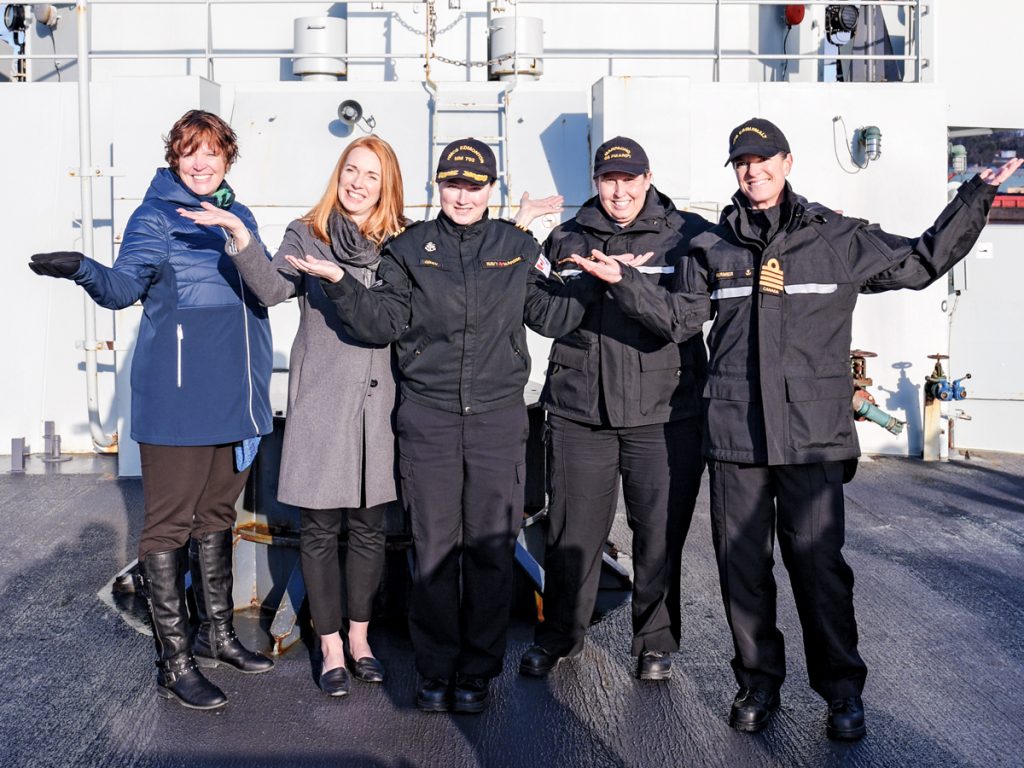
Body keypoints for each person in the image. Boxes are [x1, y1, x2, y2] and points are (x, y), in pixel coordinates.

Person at [573, 117, 1021, 741]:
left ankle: (841, 693)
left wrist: (973, 197)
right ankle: (757, 683)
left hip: (811, 437)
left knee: (818, 569)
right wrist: (625, 283)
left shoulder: (836, 239)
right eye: (741, 163)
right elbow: (679, 320)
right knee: (742, 569)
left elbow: (922, 260)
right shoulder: (713, 249)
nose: (751, 171)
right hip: (736, 438)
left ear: (786, 162)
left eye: (762, 160)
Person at [286, 138, 603, 714]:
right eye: (453, 184)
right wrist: (339, 282)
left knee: (488, 550)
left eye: (474, 185)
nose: (463, 195)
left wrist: (593, 282)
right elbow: (384, 322)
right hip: (428, 420)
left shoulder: (515, 245)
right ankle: (434, 670)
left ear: (491, 189)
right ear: (439, 186)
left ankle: (477, 672)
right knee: (433, 548)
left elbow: (552, 315)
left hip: (496, 423)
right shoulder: (409, 249)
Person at [29, 109, 276, 711]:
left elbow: (264, 286)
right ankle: (176, 661)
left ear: (227, 158)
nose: (200, 162)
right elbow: (122, 289)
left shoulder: (237, 215)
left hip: (237, 396)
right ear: (174, 157)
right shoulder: (153, 216)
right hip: (180, 397)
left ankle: (217, 635)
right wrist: (83, 269)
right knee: (169, 524)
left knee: (217, 514)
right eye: (189, 151)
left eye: (212, 152)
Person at [178, 135, 407, 698]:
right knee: (322, 531)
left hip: (381, 406)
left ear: (387, 186)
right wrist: (239, 237)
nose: (357, 182)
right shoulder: (308, 232)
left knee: (370, 530)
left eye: (371, 176)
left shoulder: (401, 241)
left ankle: (361, 639)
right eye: (350, 170)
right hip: (324, 402)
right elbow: (274, 287)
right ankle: (330, 645)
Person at [517, 137, 711, 682]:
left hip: (664, 412)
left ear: (648, 180)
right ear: (597, 181)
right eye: (609, 179)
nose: (619, 190)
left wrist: (623, 280)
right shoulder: (566, 237)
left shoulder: (686, 238)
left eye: (630, 179)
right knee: (571, 532)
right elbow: (546, 317)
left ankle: (654, 643)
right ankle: (561, 636)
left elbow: (683, 320)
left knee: (659, 533)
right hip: (581, 409)